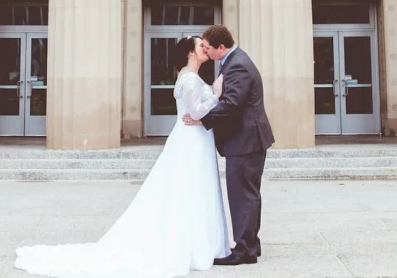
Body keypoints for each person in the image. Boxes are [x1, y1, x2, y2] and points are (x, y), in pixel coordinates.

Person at [15, 36, 230, 278]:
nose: (206, 49)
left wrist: (210, 94)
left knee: (194, 190)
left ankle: (200, 244)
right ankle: (194, 246)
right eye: (201, 46)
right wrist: (217, 94)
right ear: (191, 53)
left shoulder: (190, 77)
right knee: (190, 189)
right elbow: (196, 111)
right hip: (191, 140)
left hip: (195, 138)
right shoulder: (189, 79)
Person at [182, 25, 274, 266]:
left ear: (221, 48)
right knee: (248, 193)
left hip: (246, 140)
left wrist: (203, 118)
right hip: (246, 139)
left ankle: (244, 250)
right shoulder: (233, 61)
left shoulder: (238, 65)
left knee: (242, 194)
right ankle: (250, 243)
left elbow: (232, 103)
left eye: (209, 48)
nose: (207, 52)